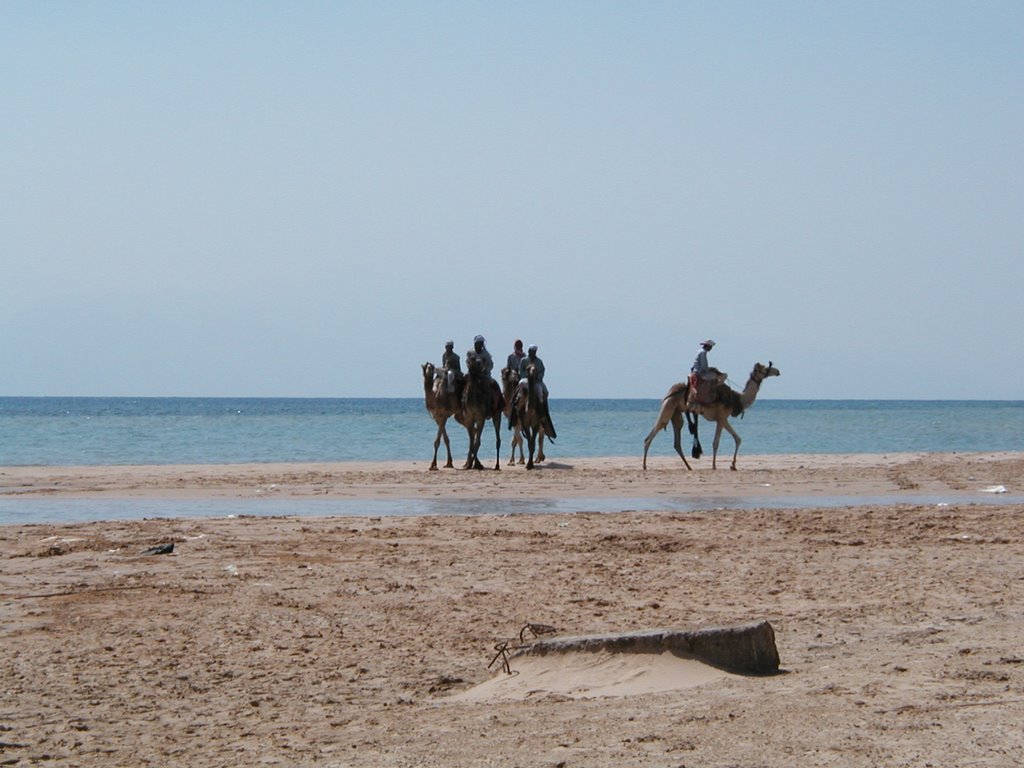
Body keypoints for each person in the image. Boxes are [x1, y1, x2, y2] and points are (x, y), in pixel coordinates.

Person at [688, 339, 720, 408]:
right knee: (715, 376)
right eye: (711, 347)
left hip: (696, 371)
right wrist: (711, 369)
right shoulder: (703, 353)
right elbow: (704, 367)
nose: (711, 348)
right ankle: (710, 394)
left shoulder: (699, 351)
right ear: (708, 346)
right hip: (700, 373)